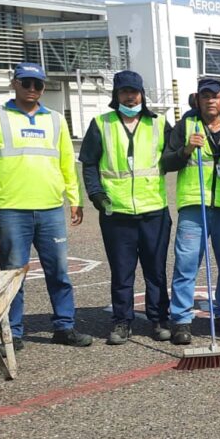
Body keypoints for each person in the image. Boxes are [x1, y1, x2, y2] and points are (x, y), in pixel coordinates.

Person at [0, 62, 92, 350]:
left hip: (50, 208)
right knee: (13, 275)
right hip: (12, 210)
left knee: (59, 272)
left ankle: (64, 326)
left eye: (37, 84)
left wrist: (75, 199)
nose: (32, 89)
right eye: (26, 83)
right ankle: (12, 332)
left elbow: (66, 161)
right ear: (14, 83)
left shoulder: (54, 119)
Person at [79, 70, 172, 345]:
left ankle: (158, 319)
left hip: (154, 209)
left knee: (156, 270)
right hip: (116, 212)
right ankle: (122, 321)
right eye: (124, 92)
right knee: (122, 271)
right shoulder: (101, 123)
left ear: (142, 95)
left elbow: (175, 157)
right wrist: (95, 193)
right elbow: (89, 163)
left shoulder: (159, 123)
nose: (130, 97)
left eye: (135, 92)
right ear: (116, 95)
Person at [161, 77, 220, 346]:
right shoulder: (186, 126)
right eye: (205, 96)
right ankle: (181, 320)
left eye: (215, 96)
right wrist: (187, 148)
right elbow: (166, 162)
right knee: (186, 264)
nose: (210, 100)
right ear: (197, 100)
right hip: (194, 205)